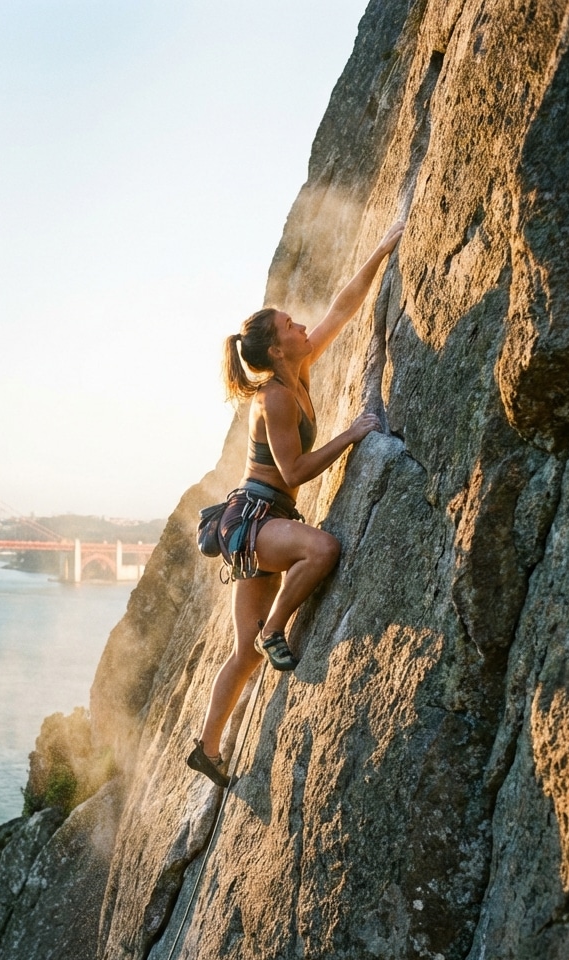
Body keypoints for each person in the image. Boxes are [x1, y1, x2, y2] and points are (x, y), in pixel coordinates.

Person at [187, 221, 405, 788]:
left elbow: (340, 311)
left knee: (242, 655)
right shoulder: (276, 398)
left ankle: (207, 750)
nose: (302, 325)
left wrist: (381, 250)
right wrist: (352, 434)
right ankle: (275, 629)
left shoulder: (297, 368)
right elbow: (295, 472)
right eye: (290, 325)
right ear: (275, 348)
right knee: (321, 550)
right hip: (254, 520)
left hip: (260, 520)